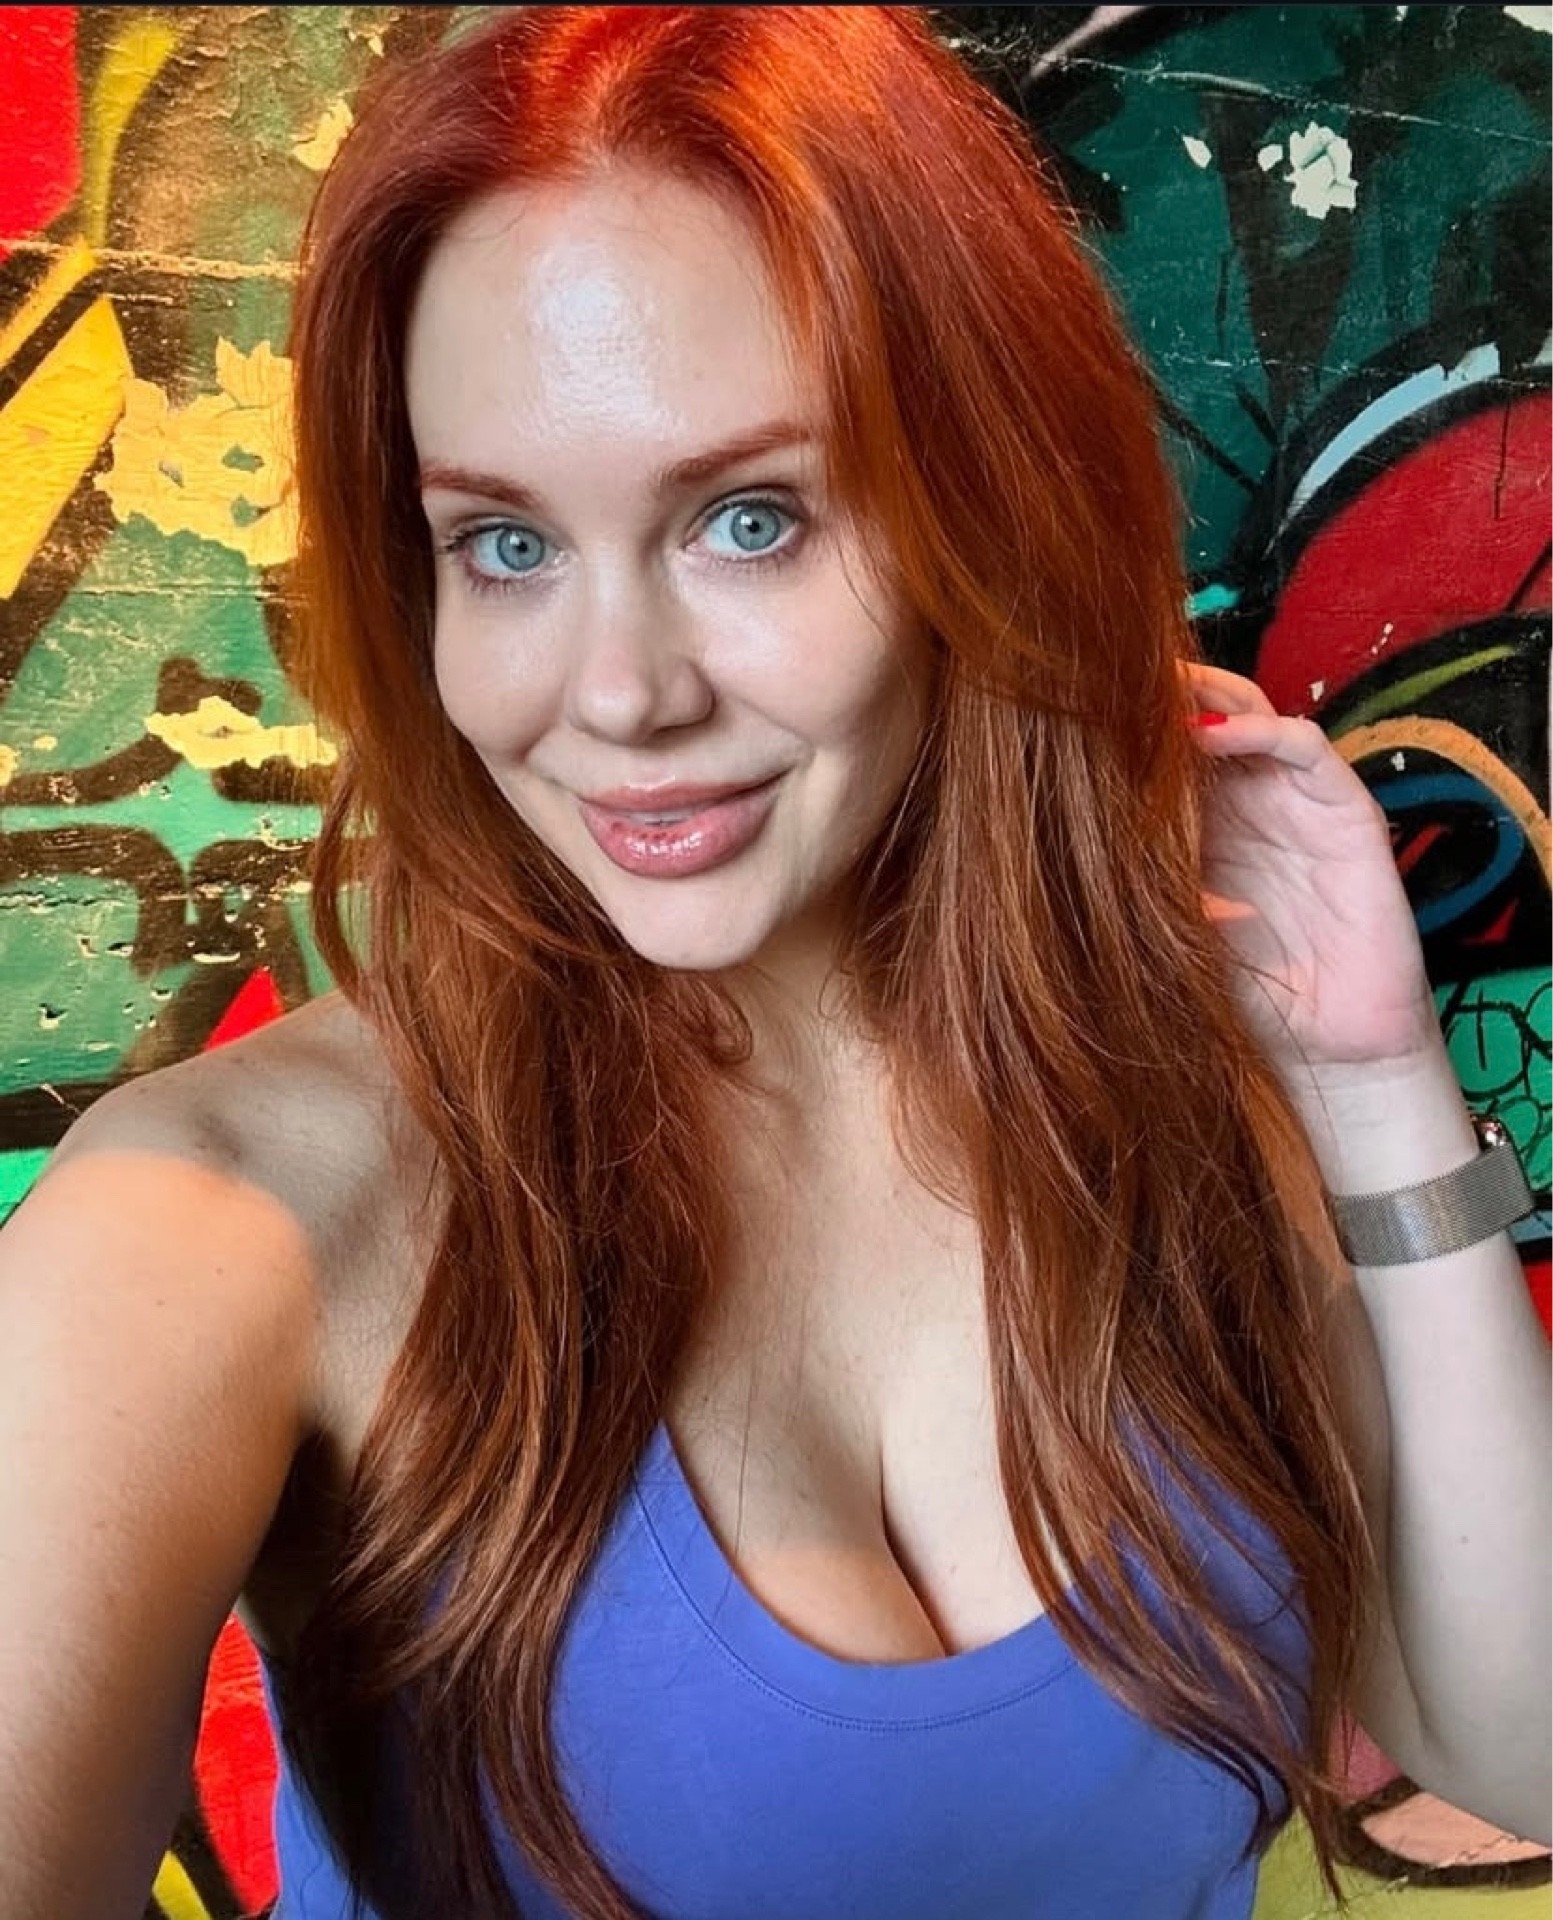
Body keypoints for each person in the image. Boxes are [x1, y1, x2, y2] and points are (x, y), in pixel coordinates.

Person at [1, 7, 1547, 1918]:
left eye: (748, 520)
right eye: (502, 546)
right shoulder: (217, 1223)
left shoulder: (1153, 1070)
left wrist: (1374, 1086)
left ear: (981, 510)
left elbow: (1514, 1741)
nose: (618, 694)